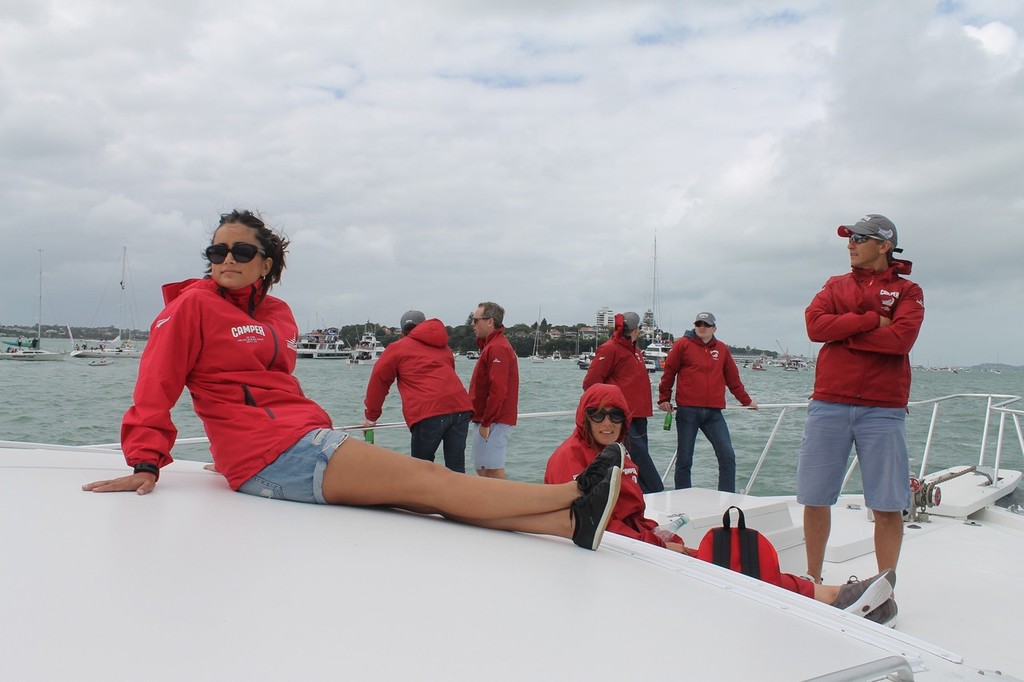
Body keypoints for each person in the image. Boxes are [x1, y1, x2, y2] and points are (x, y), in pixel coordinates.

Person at [81, 209, 623, 552]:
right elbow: (157, 385)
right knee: (433, 483)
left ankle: (566, 525)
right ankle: (576, 492)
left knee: (425, 498)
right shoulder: (193, 306)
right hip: (275, 454)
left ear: (265, 262)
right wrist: (146, 462)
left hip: (296, 440)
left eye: (240, 250)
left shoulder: (278, 314)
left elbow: (256, 388)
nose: (226, 258)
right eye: (216, 251)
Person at [546, 383, 897, 623]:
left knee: (730, 556)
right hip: (619, 553)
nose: (607, 422)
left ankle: (834, 594)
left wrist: (660, 537)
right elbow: (594, 523)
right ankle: (837, 596)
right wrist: (659, 544)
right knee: (730, 563)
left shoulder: (618, 454)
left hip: (637, 544)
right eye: (597, 414)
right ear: (584, 417)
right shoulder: (573, 458)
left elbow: (627, 514)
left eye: (616, 415)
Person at [798, 214, 924, 622]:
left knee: (887, 504)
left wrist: (844, 331)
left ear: (884, 244)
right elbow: (816, 327)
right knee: (816, 498)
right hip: (828, 403)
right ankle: (812, 580)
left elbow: (900, 340)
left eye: (859, 238)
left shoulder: (909, 291)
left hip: (883, 409)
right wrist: (870, 321)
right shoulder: (835, 285)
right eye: (849, 238)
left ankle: (884, 589)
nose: (850, 244)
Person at [361, 310, 473, 472]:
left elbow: (379, 381)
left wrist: (371, 416)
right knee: (456, 469)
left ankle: (424, 497)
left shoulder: (398, 348)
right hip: (461, 408)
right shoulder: (444, 347)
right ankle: (461, 497)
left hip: (428, 411)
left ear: (402, 330)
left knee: (421, 471)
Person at [658, 312, 757, 492]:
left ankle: (728, 498)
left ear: (714, 328)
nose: (702, 327)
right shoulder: (682, 345)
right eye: (699, 324)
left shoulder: (722, 349)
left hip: (713, 413)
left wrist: (747, 401)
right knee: (685, 459)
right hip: (687, 411)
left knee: (727, 455)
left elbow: (732, 379)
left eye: (706, 324)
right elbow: (669, 373)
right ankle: (683, 497)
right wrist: (664, 399)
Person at [583, 311, 664, 493]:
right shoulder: (609, 349)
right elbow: (591, 383)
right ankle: (658, 493)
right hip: (622, 416)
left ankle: (640, 499)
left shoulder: (635, 351)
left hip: (640, 415)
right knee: (641, 459)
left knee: (638, 461)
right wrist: (609, 407)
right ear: (636, 330)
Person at [468, 301, 519, 479]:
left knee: (490, 470)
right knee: (485, 469)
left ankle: (504, 505)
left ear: (489, 321)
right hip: (491, 420)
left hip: (493, 421)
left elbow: (498, 389)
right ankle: (496, 505)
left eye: (476, 320)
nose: (472, 324)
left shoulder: (497, 347)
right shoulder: (492, 346)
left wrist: (486, 422)